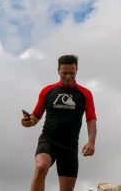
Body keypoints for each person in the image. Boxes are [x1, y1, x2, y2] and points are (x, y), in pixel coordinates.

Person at [21, 54, 97, 191]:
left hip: (70, 146)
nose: (68, 77)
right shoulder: (48, 91)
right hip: (48, 140)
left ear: (77, 71)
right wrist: (28, 121)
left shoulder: (85, 94)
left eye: (72, 73)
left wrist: (91, 142)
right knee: (41, 167)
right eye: (64, 73)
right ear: (58, 71)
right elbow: (35, 117)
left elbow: (91, 120)